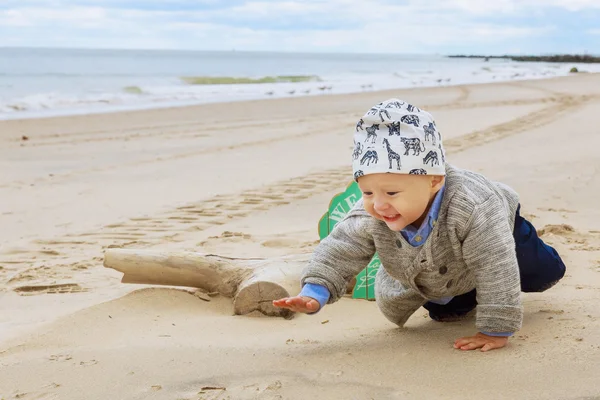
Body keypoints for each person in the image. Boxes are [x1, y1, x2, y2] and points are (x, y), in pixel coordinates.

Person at [273, 98, 566, 352]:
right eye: (367, 192)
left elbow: (495, 264)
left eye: (391, 193)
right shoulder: (373, 212)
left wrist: (496, 328)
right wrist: (314, 292)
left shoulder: (474, 205)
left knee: (540, 273)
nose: (379, 204)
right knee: (445, 311)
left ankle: (537, 264)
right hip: (434, 268)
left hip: (503, 233)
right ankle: (464, 294)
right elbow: (341, 248)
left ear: (435, 181)